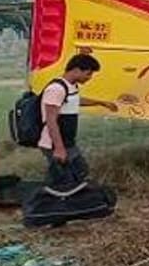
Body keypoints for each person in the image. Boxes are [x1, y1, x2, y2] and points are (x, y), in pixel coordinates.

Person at [38, 54, 116, 195]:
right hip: (54, 143)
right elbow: (51, 120)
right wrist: (59, 148)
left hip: (67, 142)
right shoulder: (56, 89)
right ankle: (47, 199)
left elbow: (75, 100)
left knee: (74, 173)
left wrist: (100, 102)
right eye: (88, 74)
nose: (89, 78)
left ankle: (51, 197)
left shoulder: (71, 87)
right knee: (68, 177)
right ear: (76, 70)